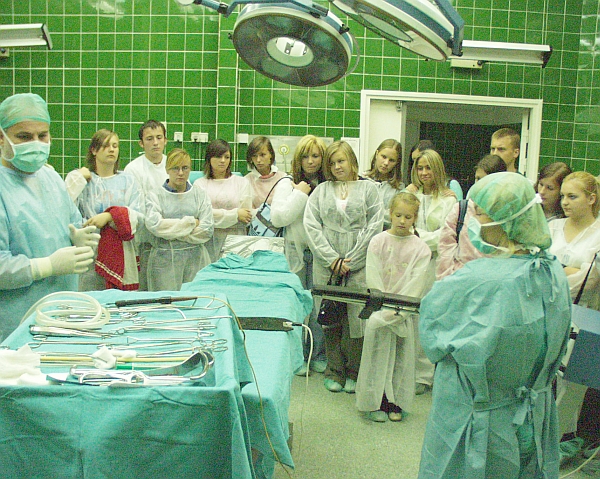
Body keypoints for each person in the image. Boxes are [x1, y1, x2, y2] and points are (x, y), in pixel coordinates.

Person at [418, 172, 572, 479]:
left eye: (480, 213)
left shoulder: (476, 280)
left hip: (479, 418)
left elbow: (433, 338)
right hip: (533, 412)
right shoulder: (551, 270)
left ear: (506, 220)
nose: (473, 221)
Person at [0, 93, 97, 340]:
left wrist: (78, 237)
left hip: (62, 312)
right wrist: (46, 266)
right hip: (15, 324)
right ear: (1, 138)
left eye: (42, 135)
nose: (36, 143)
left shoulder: (51, 178)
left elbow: (71, 222)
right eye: (24, 137)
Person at [304, 140, 383, 394]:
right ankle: (334, 370)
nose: (337, 166)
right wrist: (331, 259)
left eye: (341, 161)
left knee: (355, 319)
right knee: (330, 316)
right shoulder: (321, 191)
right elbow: (311, 225)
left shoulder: (369, 190)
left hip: (358, 264)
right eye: (332, 163)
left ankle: (354, 371)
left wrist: (352, 260)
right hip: (326, 264)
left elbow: (375, 224)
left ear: (352, 161)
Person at [355, 192, 430, 423]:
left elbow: (416, 285)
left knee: (400, 359)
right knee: (377, 357)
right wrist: (383, 309)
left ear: (415, 218)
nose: (402, 221)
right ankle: (374, 402)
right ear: (390, 213)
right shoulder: (378, 242)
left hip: (403, 314)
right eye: (398, 215)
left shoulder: (421, 249)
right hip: (379, 311)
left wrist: (399, 312)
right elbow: (373, 277)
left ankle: (395, 402)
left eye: (408, 217)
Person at [547, 171, 600, 462]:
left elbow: (587, 282)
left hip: (584, 317)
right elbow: (534, 266)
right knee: (543, 376)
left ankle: (562, 440)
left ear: (591, 198)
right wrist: (568, 269)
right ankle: (538, 439)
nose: (565, 202)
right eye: (563, 196)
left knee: (572, 384)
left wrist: (552, 268)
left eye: (572, 196)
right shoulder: (552, 227)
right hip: (546, 311)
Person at [271, 135, 328, 375]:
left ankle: (317, 354)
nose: (311, 161)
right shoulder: (287, 183)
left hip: (321, 254)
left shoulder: (328, 185)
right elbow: (278, 217)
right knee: (294, 305)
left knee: (318, 307)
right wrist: (301, 193)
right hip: (294, 253)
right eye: (305, 156)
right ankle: (297, 356)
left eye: (315, 156)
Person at [406, 149, 457, 394]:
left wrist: (417, 236)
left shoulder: (449, 200)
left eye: (428, 168)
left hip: (434, 265)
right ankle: (405, 372)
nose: (424, 173)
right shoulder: (411, 195)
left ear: (438, 169)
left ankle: (424, 375)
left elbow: (445, 236)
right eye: (420, 168)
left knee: (428, 319)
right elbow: (399, 223)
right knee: (407, 317)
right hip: (409, 263)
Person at [65, 129, 143, 291]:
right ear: (94, 150)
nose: (112, 149)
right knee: (91, 296)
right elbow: (65, 207)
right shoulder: (83, 180)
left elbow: (139, 215)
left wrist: (110, 216)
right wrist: (78, 177)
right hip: (90, 249)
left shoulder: (128, 181)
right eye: (106, 145)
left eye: (115, 146)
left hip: (121, 252)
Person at [145, 148, 214, 291]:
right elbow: (155, 225)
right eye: (175, 168)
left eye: (185, 168)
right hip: (164, 263)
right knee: (165, 302)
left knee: (195, 299)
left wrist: (171, 234)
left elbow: (207, 229)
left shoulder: (199, 195)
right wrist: (191, 223)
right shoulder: (155, 195)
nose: (181, 173)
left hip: (196, 261)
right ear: (167, 169)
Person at [436, 154, 506, 280]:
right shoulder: (461, 209)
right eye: (477, 179)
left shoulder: (507, 213)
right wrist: (447, 279)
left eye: (486, 180)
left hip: (492, 279)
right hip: (459, 278)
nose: (479, 184)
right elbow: (445, 247)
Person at [123, 120, 168, 290]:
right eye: (149, 139)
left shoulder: (173, 165)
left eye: (159, 137)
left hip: (171, 238)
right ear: (141, 143)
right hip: (144, 240)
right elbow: (136, 208)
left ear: (165, 140)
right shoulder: (133, 169)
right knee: (144, 288)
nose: (155, 143)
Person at [195, 139, 253, 262]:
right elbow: (202, 217)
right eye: (218, 156)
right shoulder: (199, 185)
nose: (222, 161)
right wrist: (235, 215)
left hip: (236, 243)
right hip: (208, 243)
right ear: (209, 158)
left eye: (226, 157)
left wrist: (216, 216)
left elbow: (246, 217)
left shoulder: (242, 182)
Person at [363, 139, 405, 228]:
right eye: (384, 157)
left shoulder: (399, 188)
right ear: (377, 154)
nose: (386, 163)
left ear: (397, 162)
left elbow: (395, 217)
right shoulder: (362, 181)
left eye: (391, 160)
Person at [245, 136, 286, 208]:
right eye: (254, 156)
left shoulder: (283, 178)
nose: (258, 160)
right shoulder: (246, 181)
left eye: (262, 155)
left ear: (271, 155)